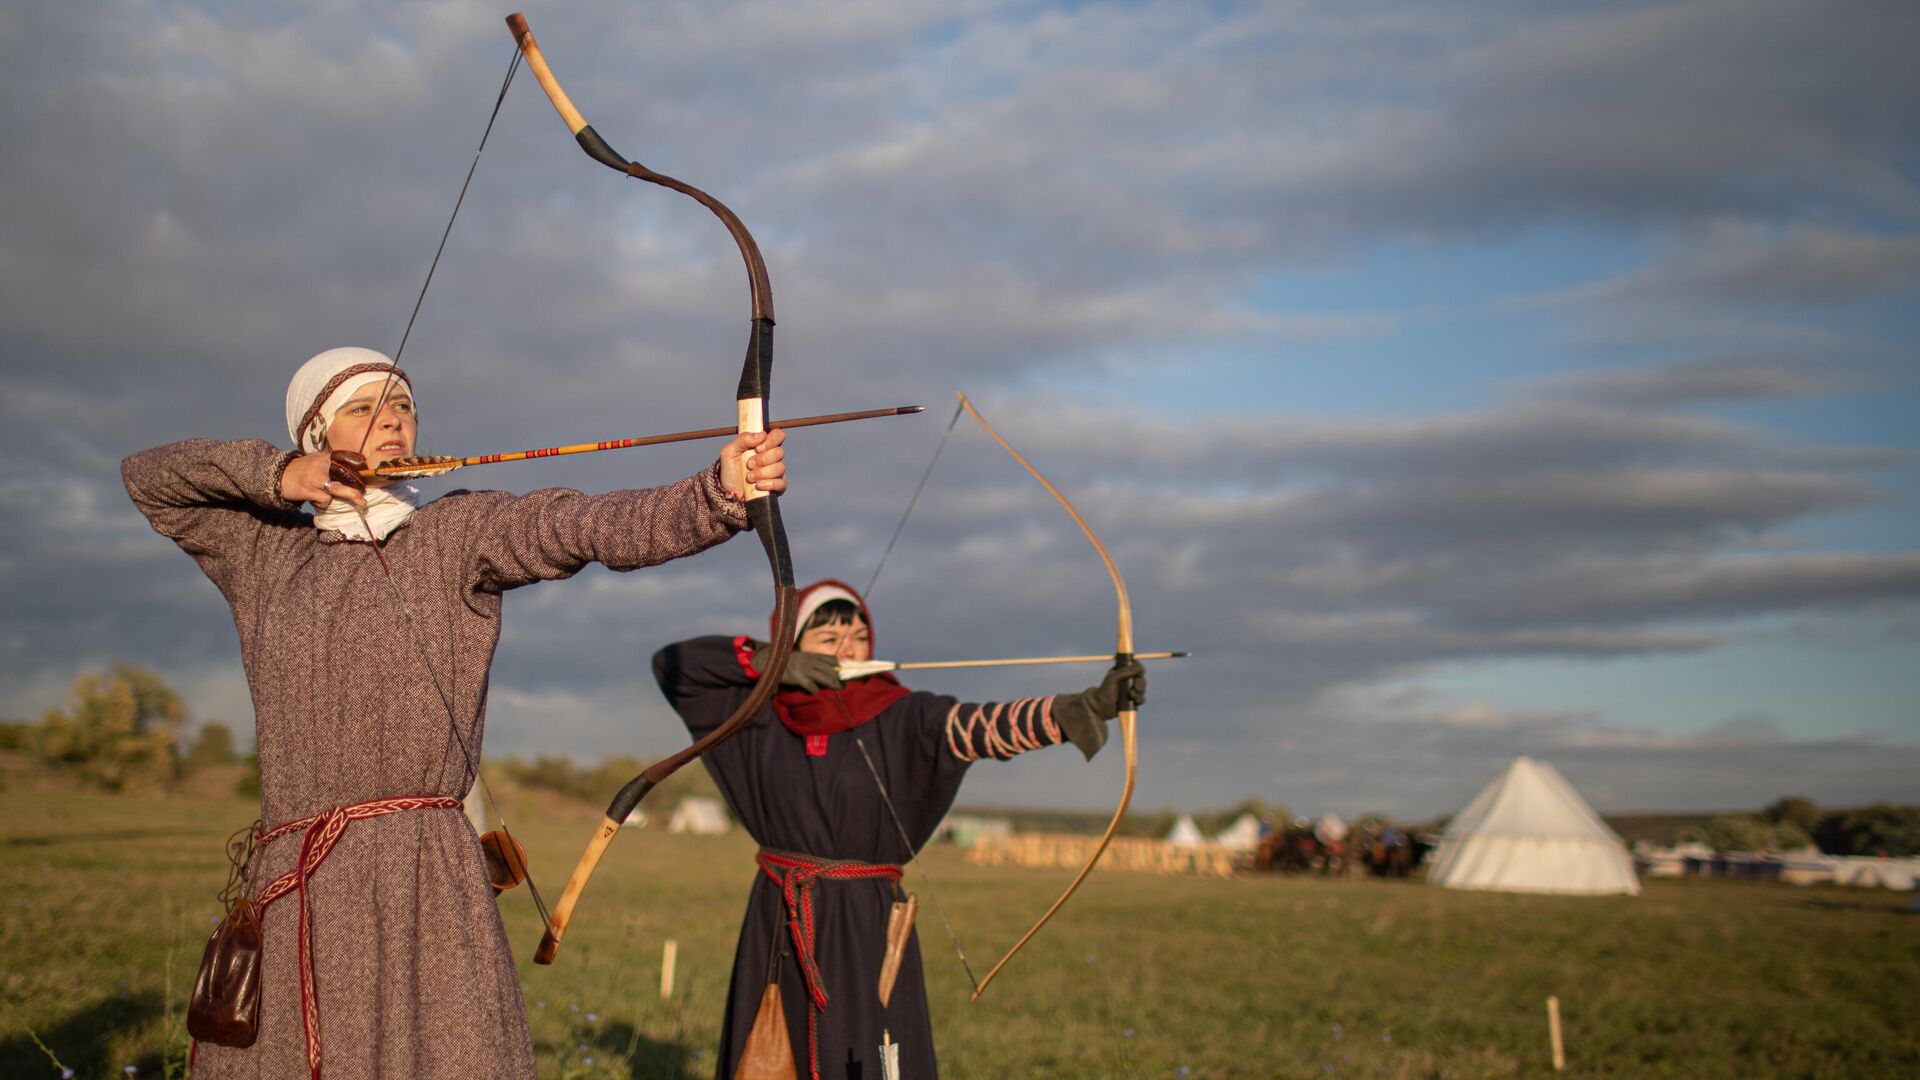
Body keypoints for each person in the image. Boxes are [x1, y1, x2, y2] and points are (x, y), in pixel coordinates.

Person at [122, 346, 788, 1079]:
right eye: (363, 409)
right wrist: (280, 477)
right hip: (302, 876)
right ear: (315, 433)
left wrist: (717, 493)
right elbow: (150, 478)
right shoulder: (263, 553)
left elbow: (579, 527)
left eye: (404, 408)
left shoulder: (454, 535)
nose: (394, 423)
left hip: (424, 871)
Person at [652, 579, 1144, 1080]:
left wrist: (1078, 709)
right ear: (793, 644)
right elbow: (674, 666)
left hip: (868, 921)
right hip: (779, 914)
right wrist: (771, 665)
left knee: (867, 1050)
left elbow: (977, 727)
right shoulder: (755, 718)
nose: (848, 648)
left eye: (859, 635)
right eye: (828, 639)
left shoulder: (903, 714)